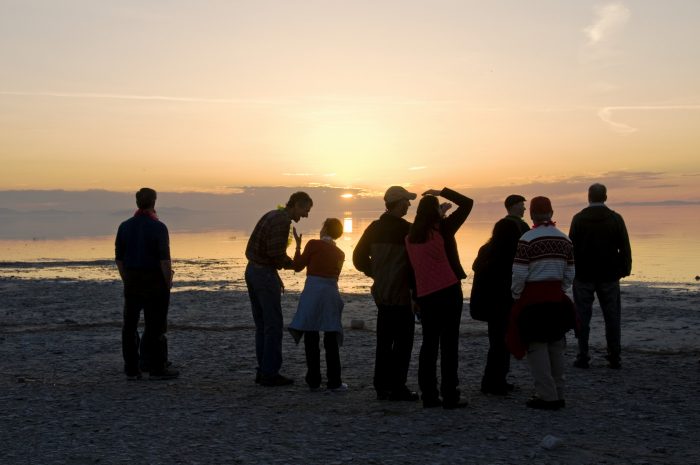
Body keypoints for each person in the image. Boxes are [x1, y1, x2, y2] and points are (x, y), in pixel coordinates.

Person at [405, 188, 474, 409]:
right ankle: (450, 395)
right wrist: (441, 191)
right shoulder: (443, 228)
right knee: (449, 345)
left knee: (429, 344)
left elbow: (414, 269)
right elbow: (467, 203)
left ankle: (429, 396)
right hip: (448, 291)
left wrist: (414, 295)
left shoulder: (410, 237)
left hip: (426, 295)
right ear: (435, 213)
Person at [507, 196, 576, 410]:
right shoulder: (565, 239)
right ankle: (559, 391)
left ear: (532, 214)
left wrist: (517, 295)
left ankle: (547, 395)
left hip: (533, 300)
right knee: (556, 345)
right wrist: (560, 289)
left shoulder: (527, 239)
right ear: (552, 212)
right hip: (556, 299)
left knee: (537, 348)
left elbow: (519, 273)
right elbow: (570, 272)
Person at [353, 186, 419, 402]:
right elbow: (416, 265)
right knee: (403, 343)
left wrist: (377, 274)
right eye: (407, 201)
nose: (409, 204)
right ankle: (398, 387)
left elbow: (358, 258)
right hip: (402, 295)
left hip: (381, 294)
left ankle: (381, 386)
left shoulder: (374, 228)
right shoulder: (408, 230)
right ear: (399, 203)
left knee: (384, 341)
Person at [245, 191, 313, 387]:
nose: (306, 215)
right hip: (263, 275)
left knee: (263, 325)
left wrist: (276, 272)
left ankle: (264, 370)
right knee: (273, 325)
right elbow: (276, 254)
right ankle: (270, 373)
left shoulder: (271, 214)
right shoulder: (282, 221)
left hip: (254, 271)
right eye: (305, 210)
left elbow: (267, 252)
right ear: (297, 205)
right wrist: (295, 265)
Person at [115, 187, 178, 380]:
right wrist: (168, 283)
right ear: (154, 202)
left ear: (137, 202)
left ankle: (132, 369)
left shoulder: (125, 226)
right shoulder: (159, 227)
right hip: (154, 281)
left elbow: (119, 260)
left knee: (130, 326)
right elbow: (165, 261)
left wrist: (127, 279)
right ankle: (157, 368)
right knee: (155, 325)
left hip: (133, 280)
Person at [472, 194, 530, 395]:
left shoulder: (486, 250)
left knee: (498, 342)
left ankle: (497, 380)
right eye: (522, 206)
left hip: (491, 303)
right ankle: (492, 383)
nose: (524, 209)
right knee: (500, 342)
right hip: (502, 302)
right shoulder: (507, 256)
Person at [569, 183, 632, 369]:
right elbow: (625, 247)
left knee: (582, 317)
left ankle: (583, 355)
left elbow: (571, 248)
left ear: (588, 197)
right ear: (605, 197)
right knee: (612, 316)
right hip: (609, 275)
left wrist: (570, 271)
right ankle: (614, 355)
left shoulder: (578, 219)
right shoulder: (615, 218)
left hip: (583, 275)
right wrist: (624, 269)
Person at [288, 218, 347, 392]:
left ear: (325, 228)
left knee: (311, 335)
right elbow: (334, 275)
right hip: (330, 292)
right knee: (330, 337)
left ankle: (313, 379)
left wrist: (298, 246)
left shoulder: (313, 244)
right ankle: (334, 381)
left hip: (313, 291)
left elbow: (297, 266)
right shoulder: (341, 254)